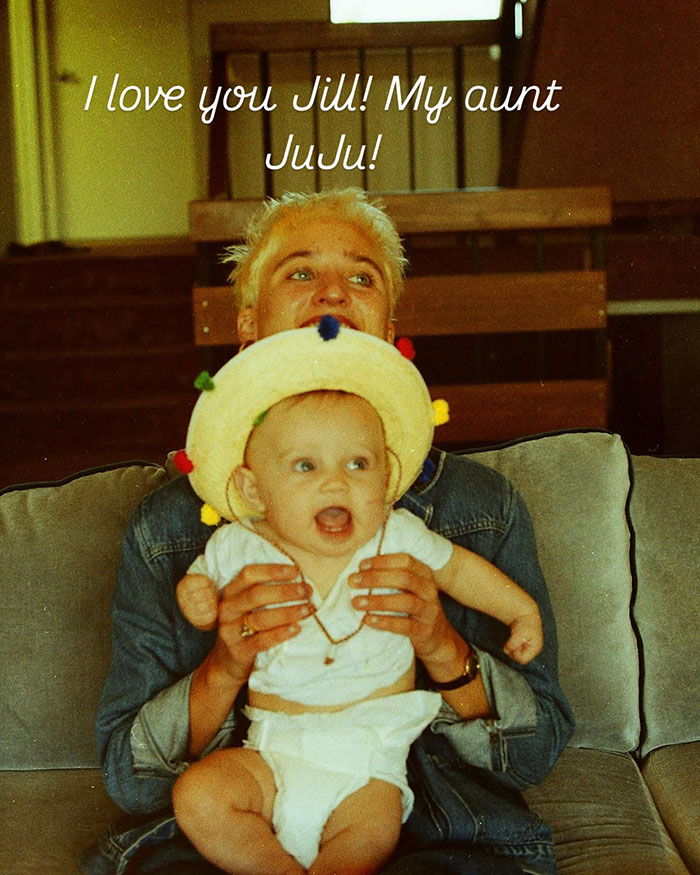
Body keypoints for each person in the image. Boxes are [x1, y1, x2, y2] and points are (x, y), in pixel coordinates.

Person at [87, 189, 575, 875]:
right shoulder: (171, 527)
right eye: (299, 271)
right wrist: (225, 664)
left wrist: (442, 646)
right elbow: (131, 779)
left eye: (362, 276)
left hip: (441, 834)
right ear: (250, 325)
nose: (333, 293)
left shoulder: (480, 506)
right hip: (247, 819)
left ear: (387, 322)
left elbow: (535, 754)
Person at [172, 320, 544, 873]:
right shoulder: (238, 545)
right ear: (254, 490)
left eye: (358, 464)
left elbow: (461, 571)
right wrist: (194, 597)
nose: (335, 482)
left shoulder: (396, 535)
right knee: (198, 795)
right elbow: (197, 584)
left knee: (371, 831)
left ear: (387, 476)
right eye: (305, 465)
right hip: (273, 751)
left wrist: (521, 610)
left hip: (370, 760)